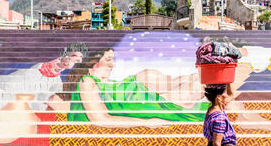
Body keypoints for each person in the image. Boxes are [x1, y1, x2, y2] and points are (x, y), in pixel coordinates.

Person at [46, 48, 207, 127]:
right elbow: (101, 119)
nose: (113, 64)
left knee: (191, 80)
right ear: (93, 62)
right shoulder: (87, 81)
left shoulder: (99, 83)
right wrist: (146, 122)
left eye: (113, 59)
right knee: (195, 86)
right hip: (142, 103)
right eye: (108, 59)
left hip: (139, 97)